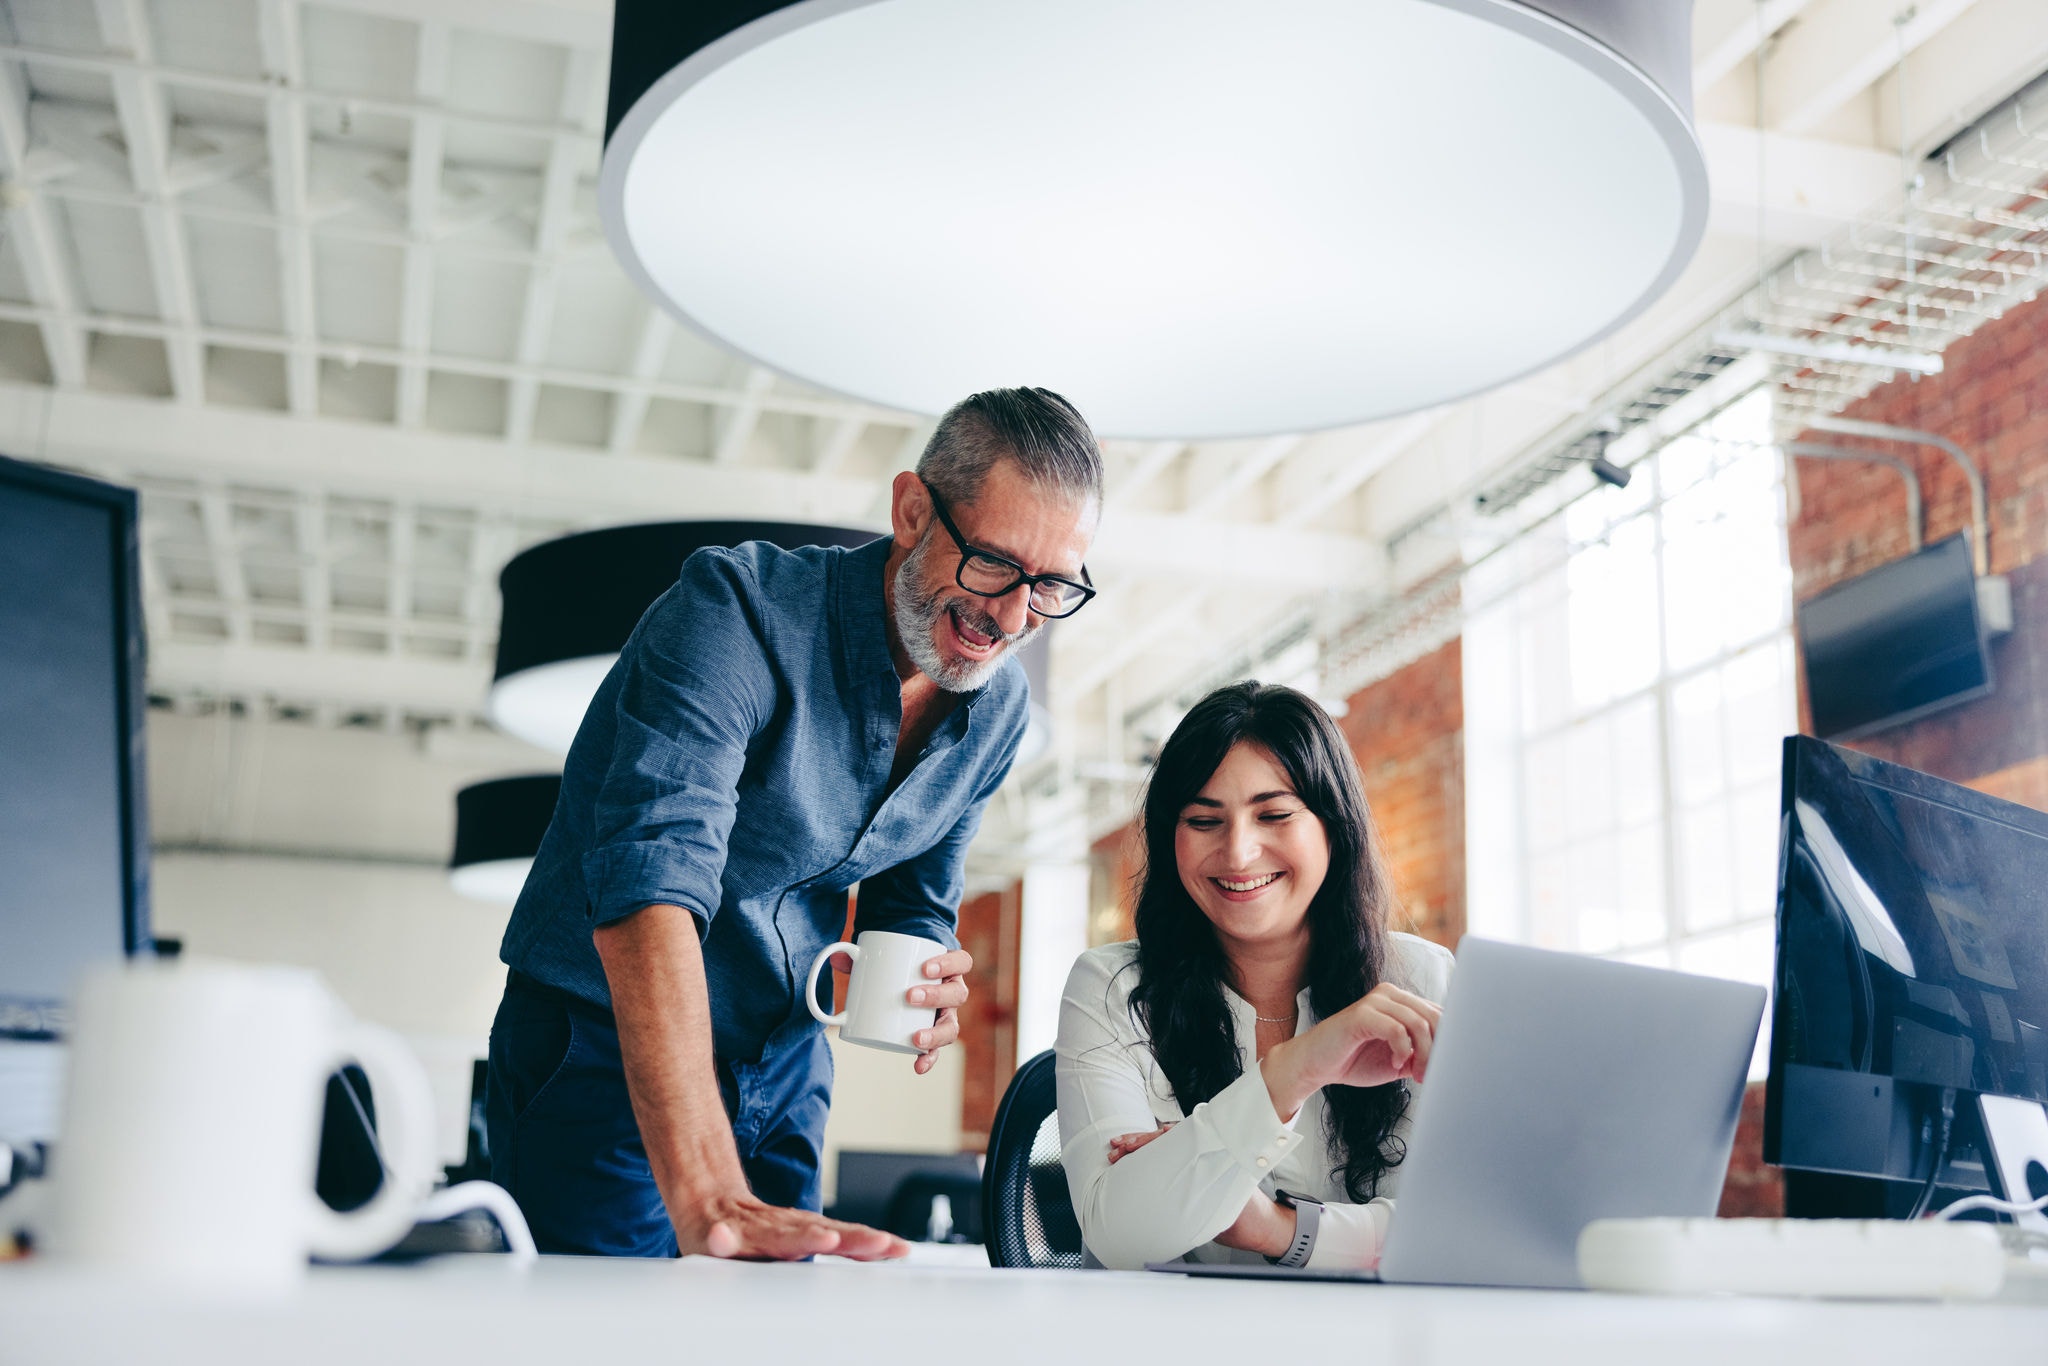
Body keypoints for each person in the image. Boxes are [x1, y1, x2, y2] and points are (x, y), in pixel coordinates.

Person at [488, 387, 1102, 1260]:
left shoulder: (996, 709)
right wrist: (706, 1192)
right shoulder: (732, 611)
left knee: (774, 1333)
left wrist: (924, 975)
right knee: (604, 1332)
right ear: (912, 509)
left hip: (783, 1065)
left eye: (1049, 587)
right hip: (605, 1045)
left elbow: (917, 893)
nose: (1010, 618)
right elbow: (647, 885)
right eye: (995, 564)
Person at [1055, 680, 1453, 1271]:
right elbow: (1121, 1233)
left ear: (1333, 827)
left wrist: (1275, 1229)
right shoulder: (1111, 987)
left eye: (1273, 814)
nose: (1239, 854)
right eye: (1203, 820)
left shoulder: (1418, 977)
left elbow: (1452, 1230)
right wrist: (1293, 1070)